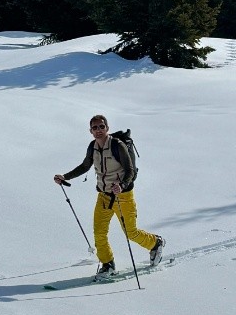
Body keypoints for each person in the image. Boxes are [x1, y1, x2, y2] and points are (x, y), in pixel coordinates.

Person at [55, 114, 165, 278]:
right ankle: (108, 265)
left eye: (101, 127)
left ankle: (155, 243)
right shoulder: (92, 147)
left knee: (130, 232)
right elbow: (85, 166)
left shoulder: (117, 145)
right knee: (99, 233)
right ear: (90, 131)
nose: (98, 130)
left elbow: (130, 170)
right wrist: (65, 176)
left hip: (123, 196)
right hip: (104, 197)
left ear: (107, 128)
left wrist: (121, 186)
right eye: (95, 127)